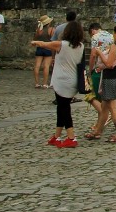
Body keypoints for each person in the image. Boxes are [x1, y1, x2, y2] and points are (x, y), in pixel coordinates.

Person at [31, 19, 85, 147]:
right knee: (61, 108)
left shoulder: (62, 44)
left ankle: (71, 137)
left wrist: (35, 42)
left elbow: (44, 44)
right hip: (73, 80)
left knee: (64, 109)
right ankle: (57, 136)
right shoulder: (81, 46)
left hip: (62, 80)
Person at [87, 25, 116, 142]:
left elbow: (109, 64)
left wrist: (100, 53)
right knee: (104, 106)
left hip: (111, 78)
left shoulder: (115, 47)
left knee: (112, 106)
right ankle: (97, 131)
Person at [84, 22, 114, 135]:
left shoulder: (95, 37)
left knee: (92, 95)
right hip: (108, 68)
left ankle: (104, 117)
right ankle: (98, 124)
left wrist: (90, 69)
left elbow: (93, 55)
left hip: (97, 69)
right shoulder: (111, 36)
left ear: (92, 30)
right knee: (102, 98)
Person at [34, 14, 55, 88]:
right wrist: (53, 55)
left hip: (39, 48)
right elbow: (53, 41)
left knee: (37, 66)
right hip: (48, 48)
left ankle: (37, 83)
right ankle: (45, 83)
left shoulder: (39, 30)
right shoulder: (51, 30)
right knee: (46, 66)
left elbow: (35, 39)